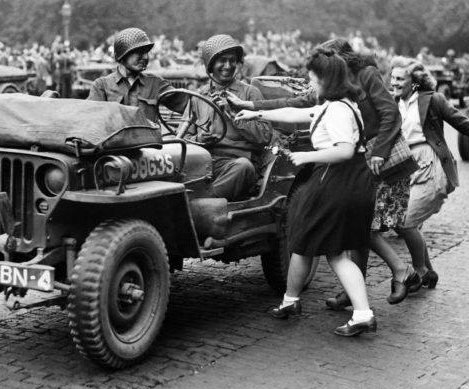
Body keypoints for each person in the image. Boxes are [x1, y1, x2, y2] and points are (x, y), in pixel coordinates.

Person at [228, 39, 419, 307]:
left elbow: (391, 115)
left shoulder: (363, 77)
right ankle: (360, 290)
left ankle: (399, 273)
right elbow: (300, 104)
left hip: (378, 157)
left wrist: (378, 152)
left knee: (363, 226)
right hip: (359, 158)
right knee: (358, 227)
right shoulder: (332, 88)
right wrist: (254, 108)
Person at [235, 47, 377, 336]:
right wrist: (254, 110)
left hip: (338, 180)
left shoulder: (336, 110)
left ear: (326, 78)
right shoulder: (338, 104)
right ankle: (291, 300)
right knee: (303, 240)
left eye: (313, 77)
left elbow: (344, 151)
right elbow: (296, 112)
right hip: (346, 180)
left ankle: (363, 314)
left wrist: (307, 157)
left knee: (333, 252)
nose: (310, 82)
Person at [390, 57, 469, 286]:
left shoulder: (433, 100)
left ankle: (419, 271)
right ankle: (428, 272)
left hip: (431, 165)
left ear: (414, 82)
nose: (395, 83)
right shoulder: (392, 102)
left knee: (406, 222)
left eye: (400, 78)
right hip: (405, 167)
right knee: (410, 223)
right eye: (392, 78)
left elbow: (463, 123)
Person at [189, 34, 274, 201]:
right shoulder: (198, 96)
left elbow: (265, 135)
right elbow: (183, 138)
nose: (228, 66)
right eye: (222, 60)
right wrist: (198, 138)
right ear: (210, 65)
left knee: (243, 167)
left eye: (232, 60)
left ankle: (201, 204)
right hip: (206, 163)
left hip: (238, 164)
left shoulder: (249, 93)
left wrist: (234, 115)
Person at [87, 27, 186, 123]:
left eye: (146, 52)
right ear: (123, 55)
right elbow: (91, 122)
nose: (145, 57)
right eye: (139, 52)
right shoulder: (102, 86)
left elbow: (190, 104)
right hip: (116, 139)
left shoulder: (155, 83)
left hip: (149, 139)